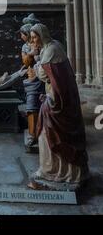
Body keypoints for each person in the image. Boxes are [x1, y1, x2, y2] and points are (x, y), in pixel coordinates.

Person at [27, 23, 89, 188]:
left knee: (46, 132)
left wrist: (37, 59)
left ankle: (55, 171)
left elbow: (43, 74)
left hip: (58, 102)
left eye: (35, 37)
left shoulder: (50, 50)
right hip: (56, 97)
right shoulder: (53, 46)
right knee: (45, 131)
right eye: (31, 38)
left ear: (42, 35)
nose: (33, 41)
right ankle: (55, 170)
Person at [19, 23, 45, 150]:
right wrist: (30, 54)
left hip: (45, 78)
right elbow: (25, 61)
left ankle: (44, 133)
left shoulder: (44, 45)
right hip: (33, 79)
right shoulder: (25, 46)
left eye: (22, 34)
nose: (21, 36)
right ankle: (32, 134)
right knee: (32, 106)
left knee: (45, 106)